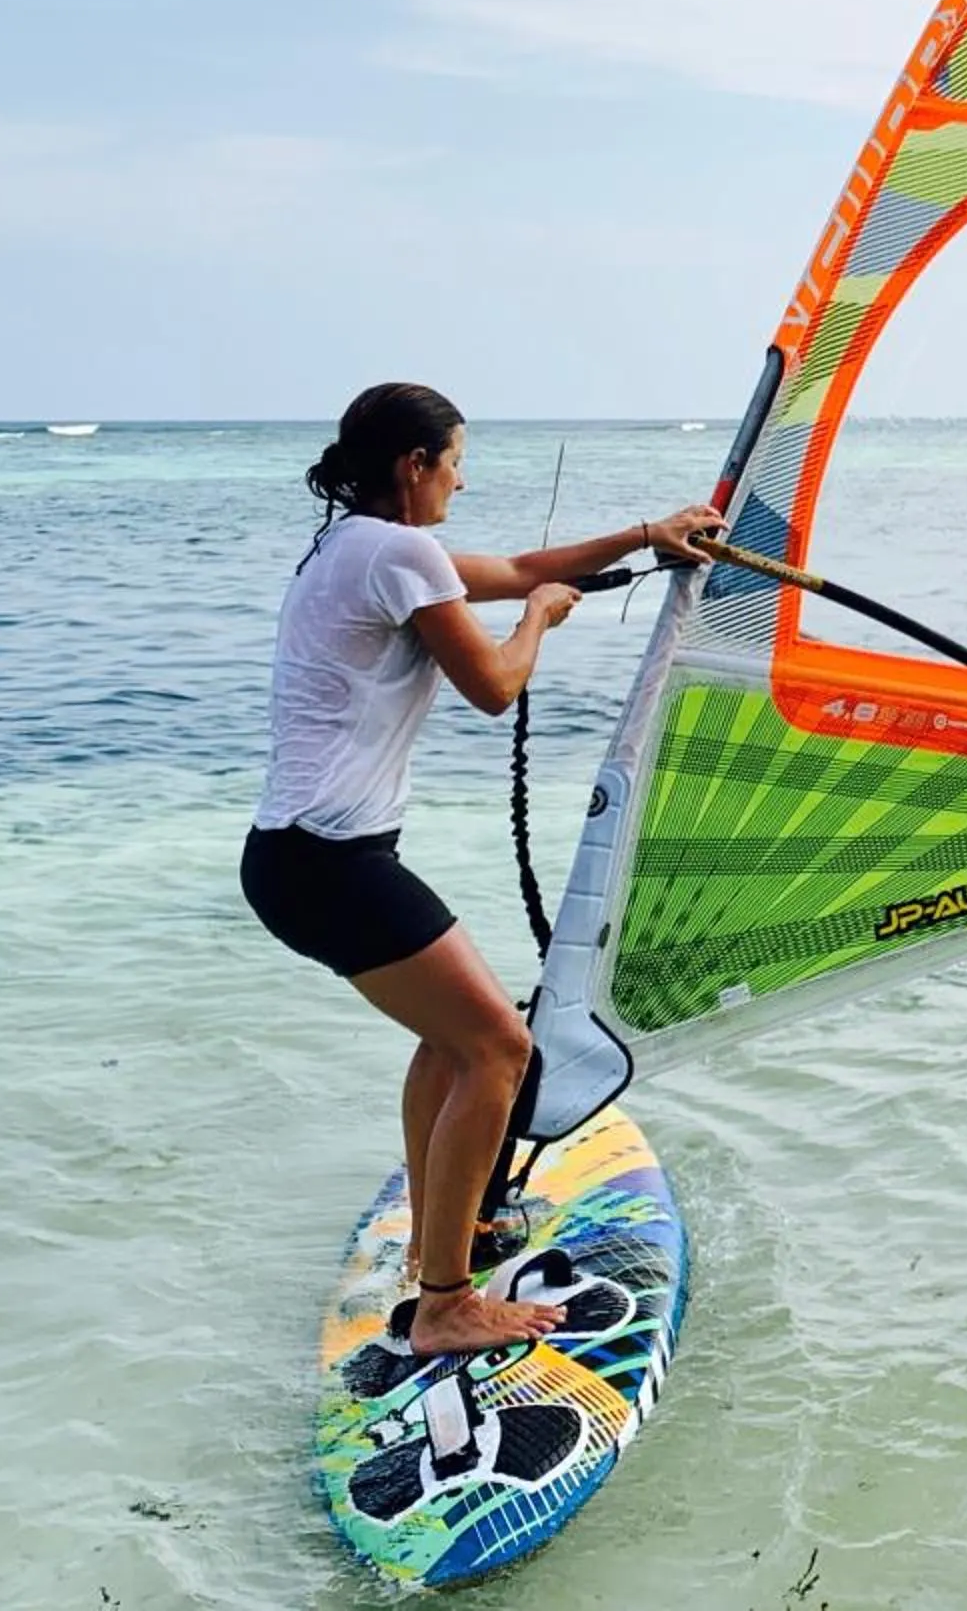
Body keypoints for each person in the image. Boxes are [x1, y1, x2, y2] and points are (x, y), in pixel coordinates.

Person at [241, 382, 719, 1357]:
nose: (462, 478)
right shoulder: (399, 552)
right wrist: (540, 619)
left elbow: (519, 564)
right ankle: (446, 1305)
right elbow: (496, 683)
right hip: (328, 863)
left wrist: (648, 536)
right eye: (454, 460)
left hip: (305, 860)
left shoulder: (355, 546)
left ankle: (436, 1252)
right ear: (414, 463)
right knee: (500, 1050)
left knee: (455, 1044)